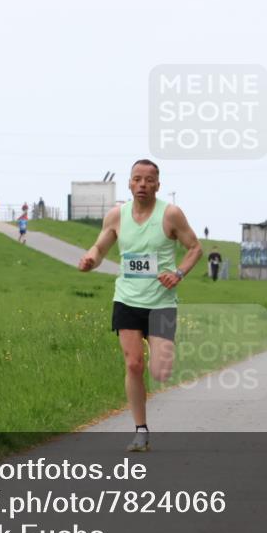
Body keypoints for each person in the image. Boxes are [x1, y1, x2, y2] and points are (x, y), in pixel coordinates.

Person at [78, 159, 201, 452]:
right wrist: (90, 260)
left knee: (160, 372)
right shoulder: (116, 216)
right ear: (129, 183)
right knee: (133, 364)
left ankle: (162, 354)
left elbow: (195, 248)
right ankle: (141, 430)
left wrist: (178, 273)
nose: (142, 184)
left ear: (158, 185)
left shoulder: (170, 214)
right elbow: (100, 247)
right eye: (137, 179)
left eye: (149, 180)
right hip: (127, 299)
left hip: (161, 302)